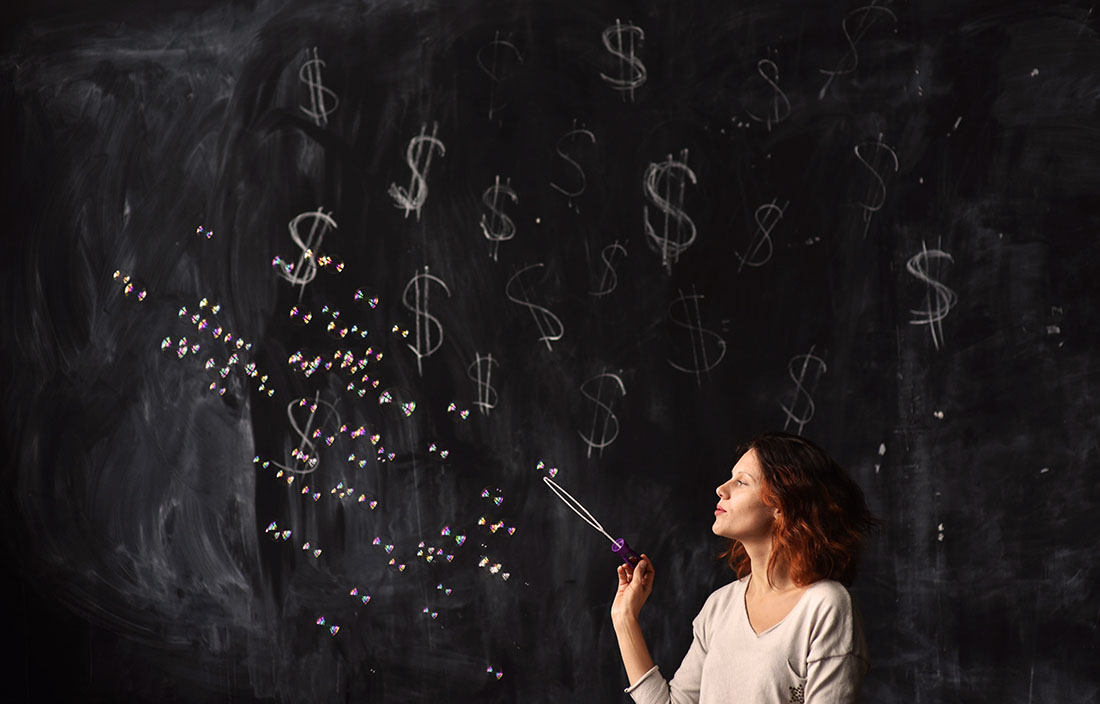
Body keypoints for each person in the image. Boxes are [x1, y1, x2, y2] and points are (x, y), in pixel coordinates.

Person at [611, 432, 876, 703]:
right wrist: (624, 618)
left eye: (741, 482)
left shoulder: (826, 605)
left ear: (782, 506)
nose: (721, 489)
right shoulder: (720, 605)